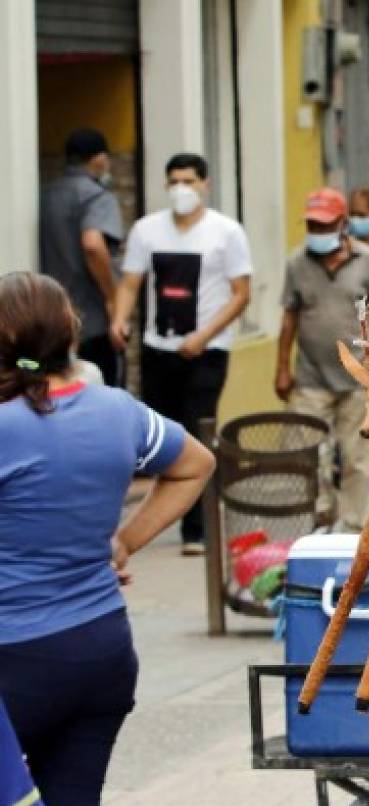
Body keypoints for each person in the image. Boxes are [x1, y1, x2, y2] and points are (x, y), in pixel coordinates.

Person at [0, 272, 214, 806]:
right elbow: (196, 464)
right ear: (71, 332)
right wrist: (122, 543)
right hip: (100, 650)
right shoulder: (118, 410)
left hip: (15, 662)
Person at [110, 152, 252, 555]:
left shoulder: (226, 232)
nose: (181, 189)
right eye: (174, 181)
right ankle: (155, 519)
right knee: (158, 437)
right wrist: (120, 318)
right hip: (159, 347)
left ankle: (198, 530)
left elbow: (241, 294)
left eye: (188, 181)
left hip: (207, 351)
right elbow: (130, 282)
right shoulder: (146, 230)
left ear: (205, 184)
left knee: (197, 432)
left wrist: (205, 335)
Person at [276, 188, 369, 531]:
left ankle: (355, 529)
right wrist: (281, 369)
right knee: (307, 457)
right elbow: (290, 319)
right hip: (310, 379)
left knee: (358, 460)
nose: (318, 232)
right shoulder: (297, 263)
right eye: (312, 225)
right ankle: (316, 520)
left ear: (343, 224)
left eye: (325, 226)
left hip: (359, 379)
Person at [39, 128, 124, 386]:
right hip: (91, 321)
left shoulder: (46, 194)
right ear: (98, 159)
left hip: (50, 321)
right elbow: (93, 245)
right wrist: (112, 298)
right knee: (101, 395)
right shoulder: (96, 197)